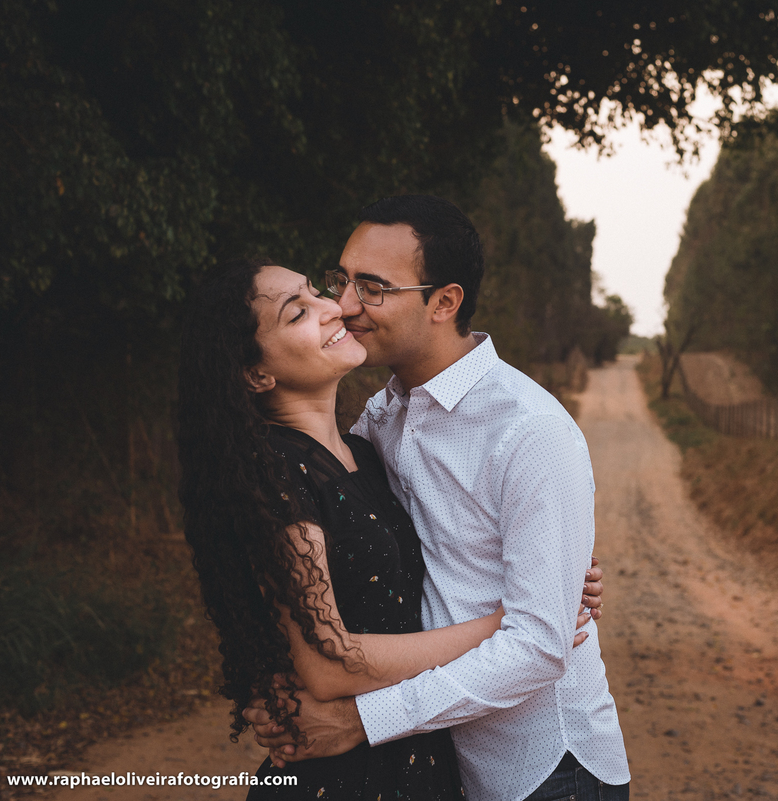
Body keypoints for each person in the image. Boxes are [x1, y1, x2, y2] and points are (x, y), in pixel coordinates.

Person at [245, 196, 631, 801]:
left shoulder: (529, 429)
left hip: (543, 769)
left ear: (444, 302)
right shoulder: (382, 420)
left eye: (372, 287)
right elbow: (330, 555)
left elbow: (538, 645)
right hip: (441, 762)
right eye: (341, 280)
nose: (345, 306)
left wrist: (363, 720)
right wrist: (275, 684)